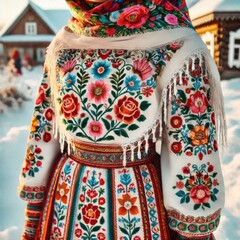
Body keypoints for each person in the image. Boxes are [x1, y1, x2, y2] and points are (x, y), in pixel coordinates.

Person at [18, 0, 226, 239]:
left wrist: (194, 228)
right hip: (65, 202)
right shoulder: (66, 41)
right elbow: (43, 129)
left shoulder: (176, 43)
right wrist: (33, 214)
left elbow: (192, 147)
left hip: (135, 203)